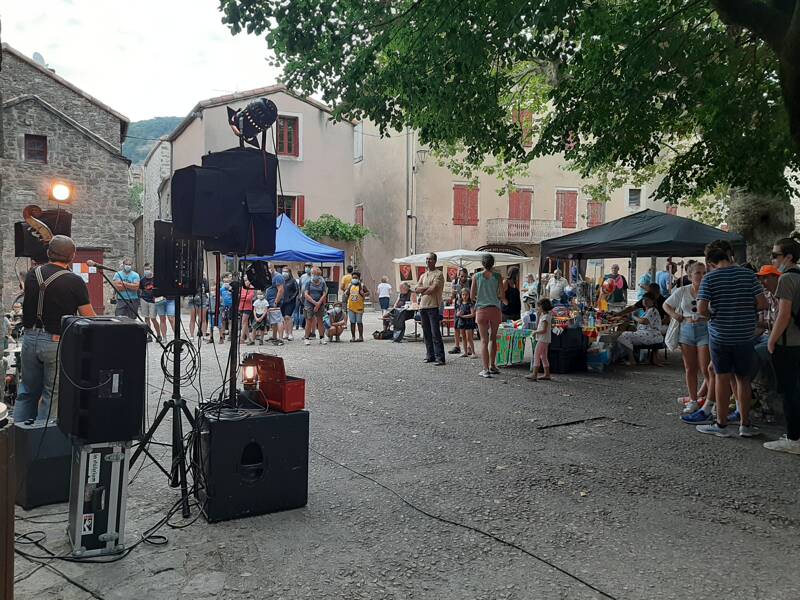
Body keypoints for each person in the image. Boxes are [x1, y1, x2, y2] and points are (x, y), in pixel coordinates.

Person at [15, 235, 96, 422]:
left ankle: (18, 440)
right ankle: (42, 447)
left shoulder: (32, 274)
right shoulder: (74, 281)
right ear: (72, 256)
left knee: (27, 392)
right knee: (51, 396)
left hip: (28, 338)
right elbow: (89, 317)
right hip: (55, 342)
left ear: (49, 253)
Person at [695, 241, 767, 438]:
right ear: (729, 254)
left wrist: (714, 315)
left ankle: (722, 424)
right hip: (744, 336)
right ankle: (745, 424)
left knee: (722, 377)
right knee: (743, 380)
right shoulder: (748, 275)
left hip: (720, 336)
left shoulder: (709, 279)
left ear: (710, 261)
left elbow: (702, 310)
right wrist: (745, 310)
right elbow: (763, 303)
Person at [765, 237, 800, 454]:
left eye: (775, 255)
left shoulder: (786, 279)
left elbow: (783, 314)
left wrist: (771, 340)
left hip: (788, 343)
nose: (773, 259)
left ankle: (794, 439)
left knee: (790, 392)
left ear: (788, 257)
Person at [664, 262, 710, 414]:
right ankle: (693, 400)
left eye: (704, 273)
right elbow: (666, 305)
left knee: (706, 368)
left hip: (704, 329)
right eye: (698, 273)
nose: (701, 276)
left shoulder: (710, 291)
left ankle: (710, 402)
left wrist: (706, 314)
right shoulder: (683, 290)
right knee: (690, 368)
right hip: (686, 330)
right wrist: (675, 315)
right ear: (690, 276)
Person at [471, 253, 505, 378]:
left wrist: (480, 298)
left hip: (481, 310)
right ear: (493, 263)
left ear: (482, 264)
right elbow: (502, 295)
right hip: (495, 310)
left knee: (484, 340)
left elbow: (471, 295)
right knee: (493, 338)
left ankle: (485, 369)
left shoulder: (476, 276)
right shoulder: (498, 276)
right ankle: (492, 365)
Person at [616, 293, 664, 366]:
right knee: (625, 335)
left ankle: (632, 360)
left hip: (652, 335)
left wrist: (633, 316)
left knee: (624, 335)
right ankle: (628, 357)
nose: (645, 301)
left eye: (647, 299)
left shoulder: (653, 310)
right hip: (648, 335)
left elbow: (644, 321)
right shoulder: (646, 311)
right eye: (644, 299)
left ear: (653, 301)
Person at [415, 253, 446, 365]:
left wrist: (423, 290)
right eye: (427, 259)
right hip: (423, 306)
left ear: (435, 261)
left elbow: (432, 289)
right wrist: (424, 289)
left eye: (430, 259)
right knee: (426, 333)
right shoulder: (423, 275)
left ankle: (440, 357)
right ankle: (430, 355)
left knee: (435, 333)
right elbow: (416, 288)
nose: (428, 261)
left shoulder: (439, 274)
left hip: (433, 306)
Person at [526, 298, 554, 382]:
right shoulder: (545, 316)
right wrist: (538, 316)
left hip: (542, 339)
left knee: (536, 355)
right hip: (544, 339)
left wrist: (535, 332)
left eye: (538, 307)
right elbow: (538, 325)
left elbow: (543, 330)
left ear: (542, 307)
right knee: (543, 356)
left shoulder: (546, 317)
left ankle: (534, 374)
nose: (537, 308)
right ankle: (547, 374)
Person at [303, 267, 328, 345]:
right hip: (309, 304)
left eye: (316, 274)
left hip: (320, 304)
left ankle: (322, 337)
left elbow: (324, 294)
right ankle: (306, 338)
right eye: (313, 274)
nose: (314, 275)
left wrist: (319, 303)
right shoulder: (308, 283)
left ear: (319, 275)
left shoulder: (322, 283)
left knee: (320, 321)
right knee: (309, 321)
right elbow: (306, 294)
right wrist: (314, 303)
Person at [449, 268, 470, 355]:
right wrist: (453, 292)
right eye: (462, 276)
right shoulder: (455, 282)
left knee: (468, 327)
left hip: (467, 306)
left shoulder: (470, 282)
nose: (463, 278)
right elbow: (452, 296)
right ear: (459, 276)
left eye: (465, 276)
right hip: (458, 305)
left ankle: (469, 347)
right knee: (456, 326)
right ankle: (457, 346)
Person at [138, 263, 161, 342]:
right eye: (145, 269)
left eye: (148, 269)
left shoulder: (156, 279)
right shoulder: (142, 280)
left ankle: (158, 335)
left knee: (153, 318)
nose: (146, 271)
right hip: (144, 299)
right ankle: (149, 335)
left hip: (153, 301)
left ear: (151, 269)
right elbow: (141, 289)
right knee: (146, 318)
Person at [346, 271, 370, 342]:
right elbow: (347, 293)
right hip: (351, 306)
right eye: (353, 278)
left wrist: (364, 294)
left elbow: (368, 293)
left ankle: (360, 337)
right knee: (352, 322)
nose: (354, 279)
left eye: (356, 278)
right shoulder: (350, 285)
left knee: (359, 321)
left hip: (359, 306)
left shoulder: (362, 285)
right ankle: (353, 337)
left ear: (359, 278)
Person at [265, 264, 285, 344]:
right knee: (273, 320)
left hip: (275, 301)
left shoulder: (278, 277)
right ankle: (274, 336)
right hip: (270, 300)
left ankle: (280, 338)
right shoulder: (270, 276)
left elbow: (280, 290)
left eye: (269, 268)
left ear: (273, 268)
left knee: (278, 319)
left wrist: (276, 301)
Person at [455, 287, 476, 357]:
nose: (464, 296)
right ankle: (465, 352)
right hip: (461, 322)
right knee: (463, 337)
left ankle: (473, 352)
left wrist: (463, 316)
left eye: (466, 295)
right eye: (463, 295)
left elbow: (473, 314)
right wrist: (458, 314)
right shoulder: (460, 303)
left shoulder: (470, 304)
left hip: (468, 322)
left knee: (469, 338)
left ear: (469, 295)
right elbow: (457, 312)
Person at [281, 267, 298, 341]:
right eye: (283, 271)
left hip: (290, 302)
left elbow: (297, 290)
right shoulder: (281, 281)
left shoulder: (293, 281)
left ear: (289, 272)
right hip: (282, 301)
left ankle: (290, 333)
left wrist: (291, 298)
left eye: (286, 271)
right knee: (284, 318)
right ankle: (286, 333)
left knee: (288, 316)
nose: (284, 273)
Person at [238, 276, 256, 345]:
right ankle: (249, 338)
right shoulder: (242, 287)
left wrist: (242, 297)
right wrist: (244, 296)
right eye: (245, 280)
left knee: (244, 322)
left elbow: (249, 298)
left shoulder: (251, 287)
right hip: (241, 306)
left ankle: (242, 338)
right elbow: (239, 296)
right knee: (245, 323)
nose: (246, 282)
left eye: (247, 280)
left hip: (247, 307)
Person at [218, 274, 233, 343]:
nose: (226, 283)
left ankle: (230, 335)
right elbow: (220, 297)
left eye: (227, 282)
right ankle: (222, 335)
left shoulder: (232, 288)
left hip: (231, 306)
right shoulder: (221, 289)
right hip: (223, 307)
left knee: (230, 321)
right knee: (223, 321)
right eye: (225, 282)